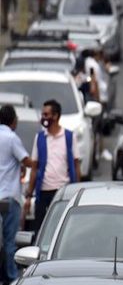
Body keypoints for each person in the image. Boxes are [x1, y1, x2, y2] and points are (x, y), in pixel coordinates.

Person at [24, 100, 81, 235]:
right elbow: (35, 167)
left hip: (63, 190)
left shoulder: (69, 137)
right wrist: (29, 195)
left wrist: (78, 189)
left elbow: (76, 164)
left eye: (46, 114)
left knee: (62, 229)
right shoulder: (40, 138)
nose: (43, 118)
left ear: (55, 116)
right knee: (41, 229)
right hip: (43, 191)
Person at [0, 106, 33, 285]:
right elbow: (26, 161)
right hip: (9, 197)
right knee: (10, 241)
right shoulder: (12, 138)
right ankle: (11, 280)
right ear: (13, 120)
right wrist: (38, 163)